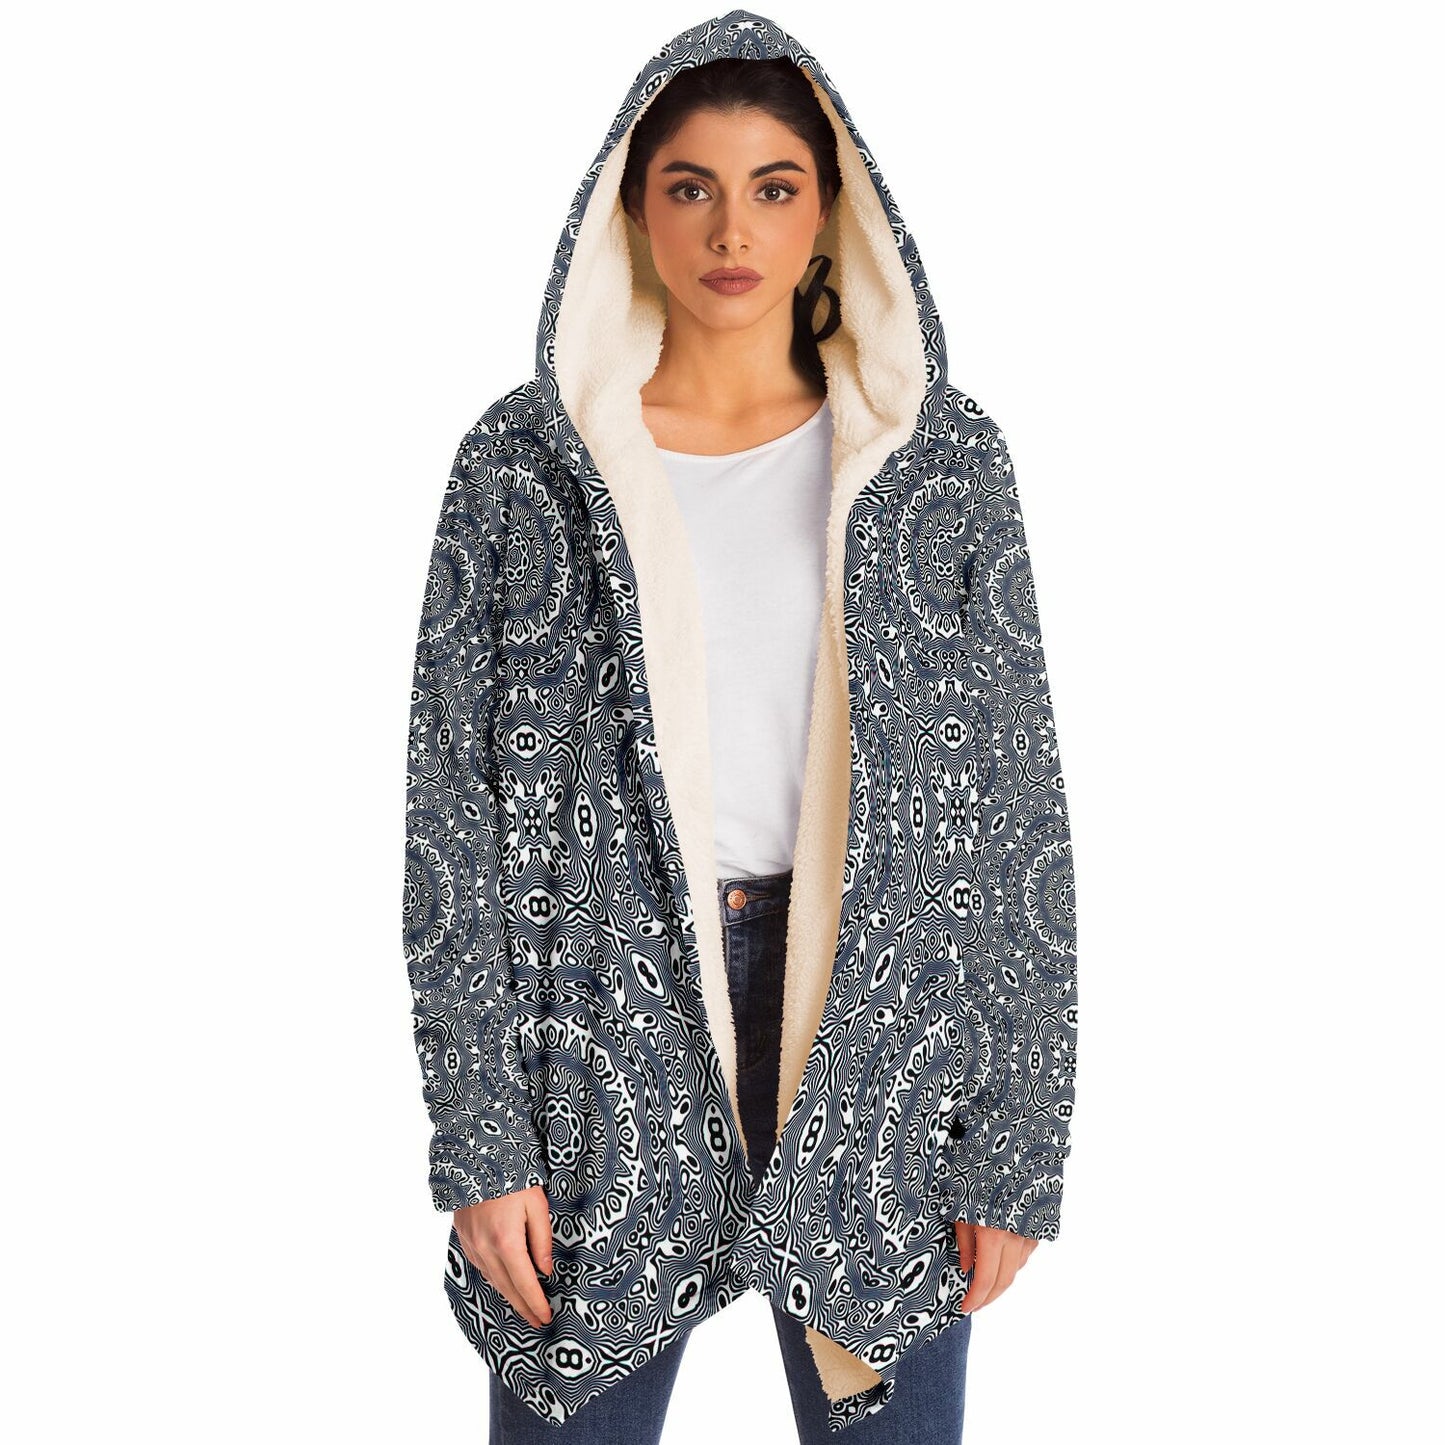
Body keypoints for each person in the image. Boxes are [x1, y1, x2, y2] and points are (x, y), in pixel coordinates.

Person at [403, 12, 1079, 1444]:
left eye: (774, 186)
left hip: (880, 1032)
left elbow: (1017, 802)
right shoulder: (525, 465)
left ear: (828, 210)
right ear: (631, 209)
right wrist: (480, 1134)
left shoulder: (936, 458)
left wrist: (1013, 1142)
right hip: (595, 1023)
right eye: (690, 186)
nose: (731, 229)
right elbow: (449, 814)